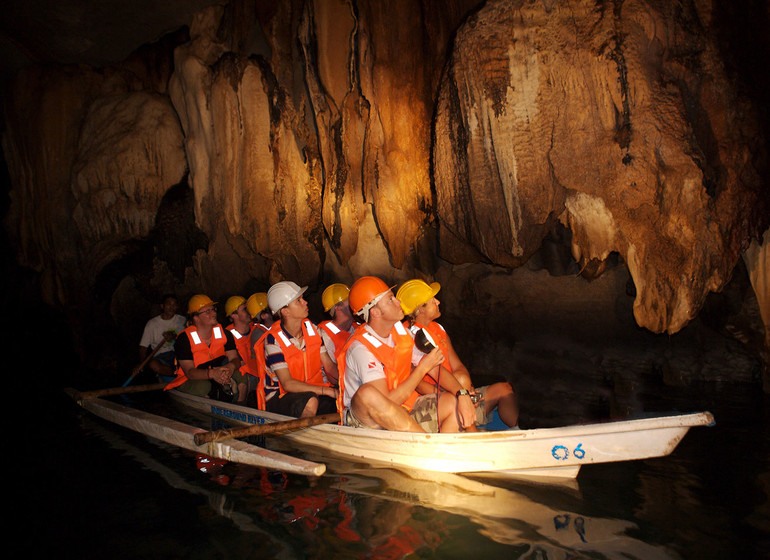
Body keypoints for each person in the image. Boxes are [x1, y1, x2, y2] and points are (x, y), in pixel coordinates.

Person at [336, 276, 470, 433]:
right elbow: (385, 404)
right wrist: (422, 368)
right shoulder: (361, 348)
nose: (398, 302)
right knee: (368, 394)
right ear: (376, 312)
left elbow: (434, 368)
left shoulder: (401, 333)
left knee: (452, 401)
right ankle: (427, 445)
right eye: (391, 299)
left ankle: (441, 450)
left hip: (403, 408)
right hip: (369, 421)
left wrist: (462, 394)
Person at [397, 279, 519, 429]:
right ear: (421, 309)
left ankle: (520, 434)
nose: (438, 301)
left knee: (504, 390)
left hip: (458, 389)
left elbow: (458, 366)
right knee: (458, 389)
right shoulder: (409, 337)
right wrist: (460, 394)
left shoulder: (438, 329)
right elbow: (419, 385)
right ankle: (471, 432)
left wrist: (468, 389)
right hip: (436, 398)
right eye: (432, 300)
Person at [253, 281, 339, 417]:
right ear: (285, 311)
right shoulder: (273, 340)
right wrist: (325, 391)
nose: (305, 303)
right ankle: (305, 437)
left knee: (342, 400)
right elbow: (287, 384)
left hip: (313, 392)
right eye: (298, 301)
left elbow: (329, 367)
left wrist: (347, 384)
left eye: (302, 299)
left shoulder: (313, 329)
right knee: (311, 401)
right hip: (282, 396)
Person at [165, 294, 244, 401]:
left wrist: (230, 367)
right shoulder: (184, 339)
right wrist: (212, 374)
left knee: (241, 374)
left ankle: (241, 405)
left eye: (213, 309)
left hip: (217, 371)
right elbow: (190, 373)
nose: (214, 313)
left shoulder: (225, 334)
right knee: (203, 386)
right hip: (191, 379)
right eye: (207, 311)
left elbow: (235, 359)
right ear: (195, 317)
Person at [132, 294, 186, 381]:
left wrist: (174, 337)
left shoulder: (183, 321)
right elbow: (143, 347)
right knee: (153, 364)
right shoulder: (152, 324)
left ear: (177, 307)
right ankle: (176, 374)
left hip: (179, 354)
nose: (171, 307)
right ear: (162, 306)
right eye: (168, 304)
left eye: (174, 305)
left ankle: (184, 372)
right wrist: (141, 364)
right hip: (161, 357)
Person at [317, 283, 359, 376]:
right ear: (338, 307)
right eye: (350, 300)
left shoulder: (357, 328)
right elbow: (330, 373)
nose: (355, 302)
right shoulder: (325, 336)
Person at [224, 295, 257, 403]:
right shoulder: (227, 335)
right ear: (234, 315)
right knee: (243, 383)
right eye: (245, 309)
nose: (249, 311)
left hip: (259, 373)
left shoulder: (257, 329)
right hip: (243, 375)